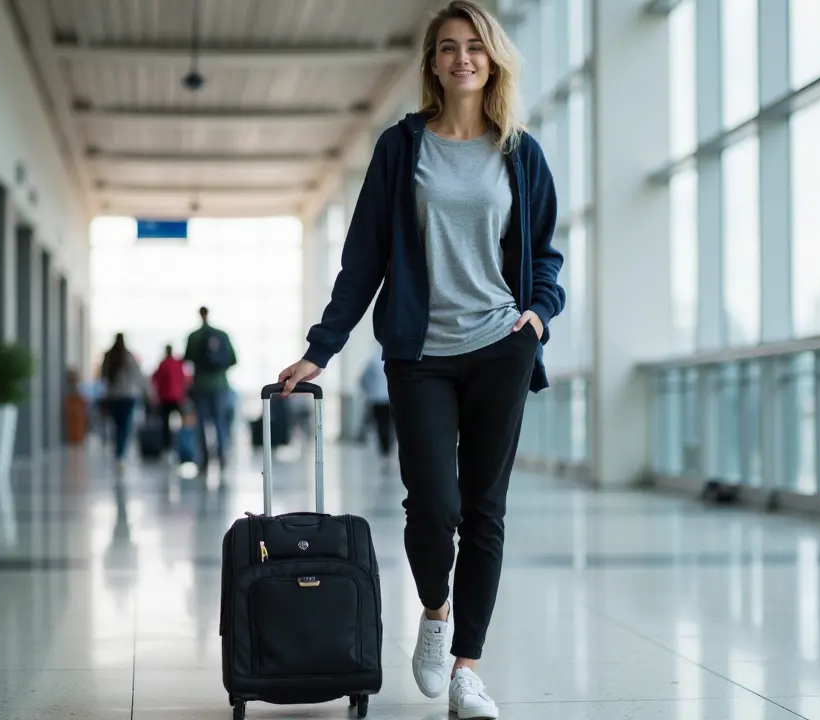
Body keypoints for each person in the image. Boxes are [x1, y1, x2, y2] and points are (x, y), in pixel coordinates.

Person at [277, 2, 564, 717]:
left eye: (475, 46)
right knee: (433, 505)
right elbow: (365, 256)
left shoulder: (519, 151)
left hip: (501, 345)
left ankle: (468, 666)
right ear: (433, 63)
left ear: (493, 59)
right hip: (420, 353)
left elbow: (546, 256)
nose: (462, 57)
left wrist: (536, 317)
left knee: (484, 510)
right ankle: (435, 610)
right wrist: (323, 348)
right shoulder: (402, 148)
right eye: (448, 47)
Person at [183, 306, 237, 473]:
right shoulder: (222, 335)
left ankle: (204, 460)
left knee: (200, 424)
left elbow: (187, 359)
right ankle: (222, 458)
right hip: (220, 386)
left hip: (200, 386)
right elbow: (233, 359)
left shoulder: (193, 337)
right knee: (220, 422)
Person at [100, 333, 148, 467]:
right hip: (127, 396)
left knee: (117, 426)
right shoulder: (129, 356)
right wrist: (147, 391)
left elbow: (102, 375)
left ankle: (118, 452)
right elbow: (138, 375)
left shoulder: (108, 356)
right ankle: (120, 454)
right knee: (124, 426)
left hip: (113, 396)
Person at [358, 348, 394, 469]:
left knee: (381, 426)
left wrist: (368, 393)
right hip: (391, 400)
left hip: (376, 400)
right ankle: (388, 451)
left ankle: (385, 452)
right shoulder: (393, 361)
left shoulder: (372, 363)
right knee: (391, 427)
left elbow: (363, 380)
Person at [151, 344, 187, 454]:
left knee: (165, 424)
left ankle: (167, 447)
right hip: (178, 397)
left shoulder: (163, 364)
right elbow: (185, 379)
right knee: (183, 422)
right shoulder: (178, 364)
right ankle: (182, 445)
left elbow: (155, 379)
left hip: (165, 398)